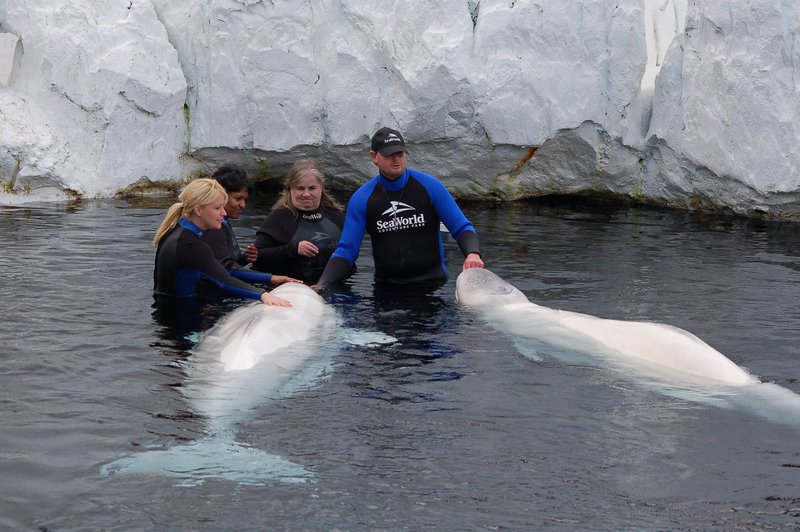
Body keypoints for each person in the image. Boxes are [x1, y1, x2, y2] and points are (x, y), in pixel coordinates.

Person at [316, 127, 484, 286]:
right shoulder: (363, 198)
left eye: (400, 153)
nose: (396, 159)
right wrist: (322, 284)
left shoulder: (430, 187)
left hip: (433, 287)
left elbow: (462, 228)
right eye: (390, 154)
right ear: (374, 157)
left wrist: (472, 253)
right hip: (387, 291)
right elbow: (347, 251)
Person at [152, 178, 295, 306]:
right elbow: (223, 279)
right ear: (198, 210)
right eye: (217, 208)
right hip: (180, 319)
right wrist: (263, 295)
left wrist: (269, 278)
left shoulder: (178, 228)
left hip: (166, 306)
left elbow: (219, 270)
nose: (224, 213)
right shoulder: (190, 244)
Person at [251, 159, 347, 283]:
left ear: (321, 188)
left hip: (333, 284)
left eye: (312, 188)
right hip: (292, 286)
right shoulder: (279, 218)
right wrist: (293, 249)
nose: (306, 194)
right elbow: (257, 256)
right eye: (300, 188)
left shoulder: (334, 215)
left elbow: (351, 251)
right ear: (290, 189)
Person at [201, 164, 258, 270]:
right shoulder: (213, 228)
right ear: (221, 196)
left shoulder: (223, 222)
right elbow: (226, 270)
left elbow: (228, 263)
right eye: (238, 198)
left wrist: (245, 258)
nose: (243, 205)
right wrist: (271, 278)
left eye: (245, 200)